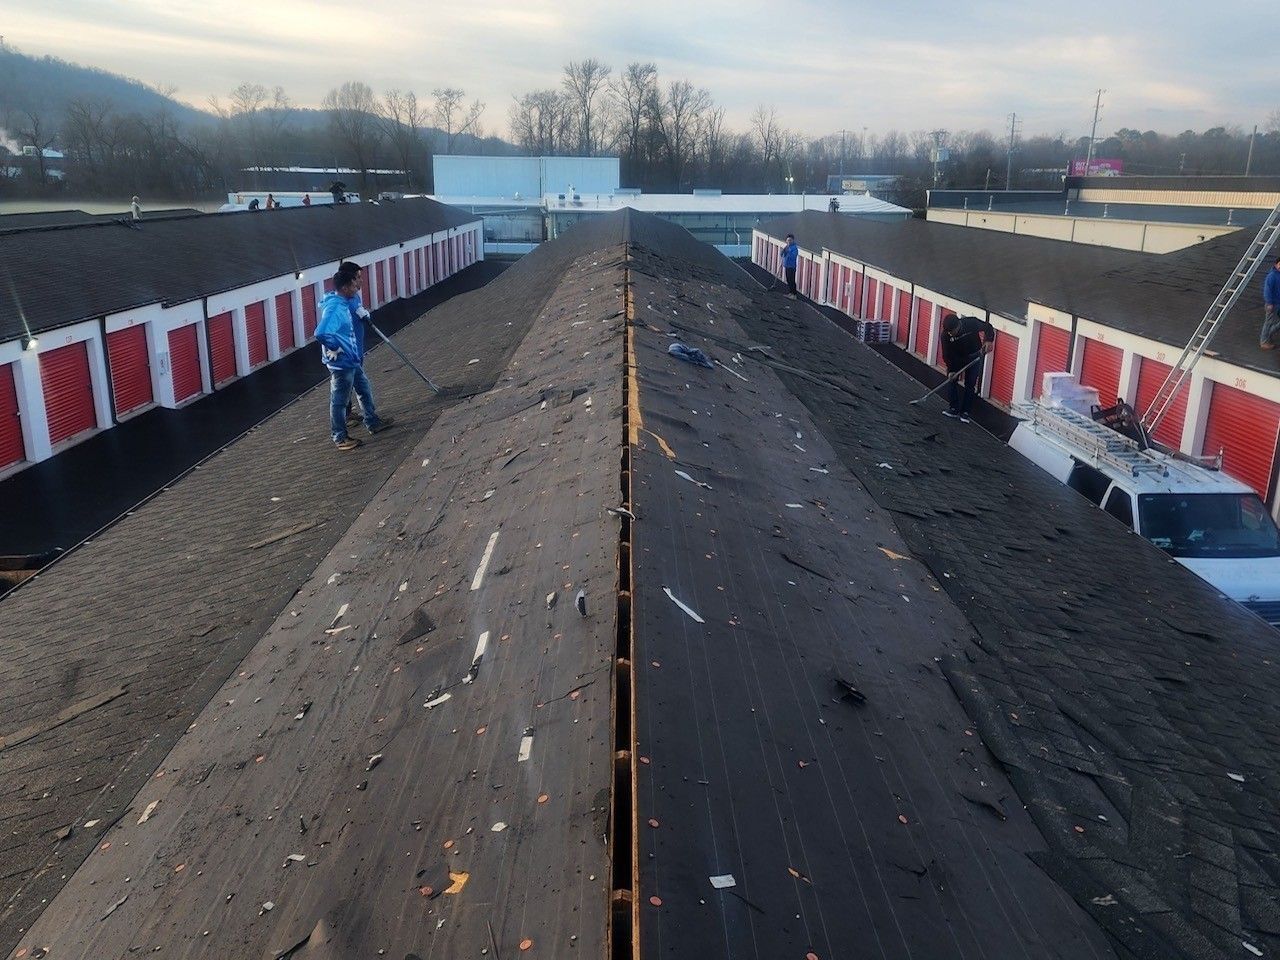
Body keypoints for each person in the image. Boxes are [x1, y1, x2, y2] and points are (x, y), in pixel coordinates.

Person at [315, 263, 393, 450]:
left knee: (364, 389)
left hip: (351, 360)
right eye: (353, 284)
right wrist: (336, 348)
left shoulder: (343, 303)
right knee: (339, 401)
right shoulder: (335, 308)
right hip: (342, 364)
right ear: (344, 288)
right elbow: (321, 333)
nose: (357, 286)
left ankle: (372, 421)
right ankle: (340, 438)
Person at [940, 313, 995, 423]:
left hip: (974, 356)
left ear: (958, 325)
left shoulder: (971, 323)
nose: (950, 334)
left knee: (970, 384)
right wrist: (951, 370)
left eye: (952, 331)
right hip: (957, 359)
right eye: (948, 332)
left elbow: (988, 327)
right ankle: (953, 408)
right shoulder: (945, 335)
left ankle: (965, 412)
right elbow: (947, 354)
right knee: (952, 380)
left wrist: (989, 340)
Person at [1261, 254, 1280, 350]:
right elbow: (1267, 290)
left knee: (1273, 323)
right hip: (1272, 304)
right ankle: (1264, 341)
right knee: (1268, 322)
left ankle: (1268, 336)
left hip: (1279, 304)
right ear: (1276, 264)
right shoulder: (1272, 276)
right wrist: (1269, 303)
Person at [781, 233, 799, 299]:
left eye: (790, 240)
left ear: (793, 240)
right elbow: (782, 254)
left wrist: (788, 251)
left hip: (792, 267)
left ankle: (794, 294)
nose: (789, 242)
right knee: (788, 280)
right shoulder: (786, 247)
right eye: (788, 240)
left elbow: (793, 256)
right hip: (787, 265)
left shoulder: (794, 248)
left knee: (792, 280)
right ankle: (790, 293)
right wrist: (783, 251)